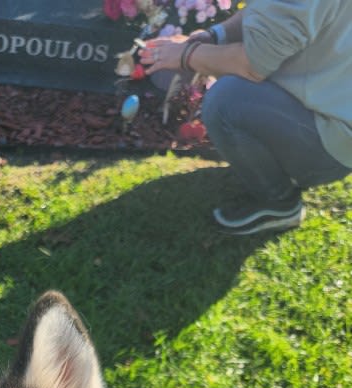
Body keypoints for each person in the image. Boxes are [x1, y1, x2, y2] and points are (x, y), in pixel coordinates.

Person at [139, 1, 352, 235]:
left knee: (227, 102)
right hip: (330, 118)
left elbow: (252, 64)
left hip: (328, 148)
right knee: (233, 97)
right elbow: (262, 11)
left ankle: (280, 202)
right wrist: (213, 36)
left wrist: (185, 55)